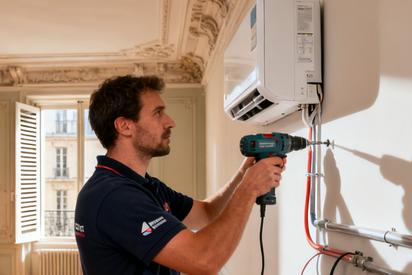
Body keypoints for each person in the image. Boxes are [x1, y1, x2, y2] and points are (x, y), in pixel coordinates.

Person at [74, 75, 284, 275]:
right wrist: (248, 189)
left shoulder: (142, 185)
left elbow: (207, 213)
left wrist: (243, 175)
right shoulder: (114, 196)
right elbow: (203, 261)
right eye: (158, 113)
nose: (170, 122)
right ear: (125, 126)